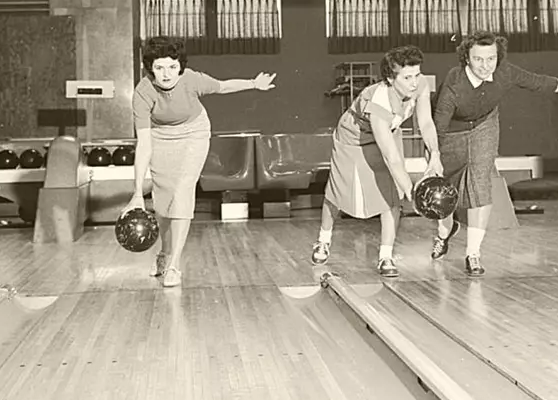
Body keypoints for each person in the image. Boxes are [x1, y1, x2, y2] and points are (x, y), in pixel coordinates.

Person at [430, 31, 558, 276]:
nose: (485, 65)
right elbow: (438, 125)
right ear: (466, 58)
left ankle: (473, 253)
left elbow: (539, 82)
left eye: (491, 58)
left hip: (484, 125)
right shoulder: (454, 83)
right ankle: (444, 232)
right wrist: (434, 157)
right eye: (478, 59)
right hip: (452, 132)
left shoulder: (505, 71)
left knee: (481, 183)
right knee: (447, 191)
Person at [123, 37, 276, 288]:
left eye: (172, 66)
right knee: (162, 198)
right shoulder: (143, 92)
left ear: (180, 66)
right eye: (159, 67)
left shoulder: (192, 80)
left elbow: (223, 86)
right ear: (150, 68)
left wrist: (253, 84)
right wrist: (137, 193)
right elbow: (144, 144)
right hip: (160, 136)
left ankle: (174, 264)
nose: (166, 74)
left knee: (183, 190)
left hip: (194, 132)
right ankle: (164, 252)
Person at [311, 45, 443, 277]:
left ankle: (386, 256)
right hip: (352, 139)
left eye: (417, 75)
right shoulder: (379, 101)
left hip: (388, 133)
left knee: (390, 194)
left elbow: (426, 124)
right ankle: (323, 240)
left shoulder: (420, 86)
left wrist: (435, 155)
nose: (414, 82)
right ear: (391, 79)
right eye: (407, 77)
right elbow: (391, 158)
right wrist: (413, 192)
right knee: (338, 193)